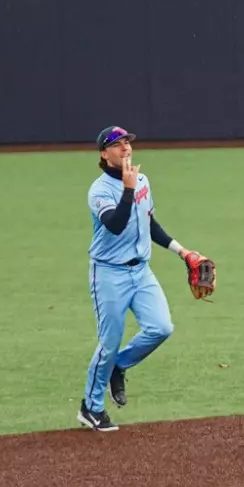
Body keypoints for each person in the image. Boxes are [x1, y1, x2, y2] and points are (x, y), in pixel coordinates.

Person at [78, 125, 211, 432]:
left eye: (127, 142)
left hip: (141, 272)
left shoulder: (143, 182)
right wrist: (127, 188)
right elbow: (114, 224)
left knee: (161, 327)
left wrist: (183, 252)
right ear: (103, 153)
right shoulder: (99, 190)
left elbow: (148, 223)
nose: (125, 148)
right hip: (108, 273)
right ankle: (91, 407)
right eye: (117, 144)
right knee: (109, 342)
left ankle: (119, 367)